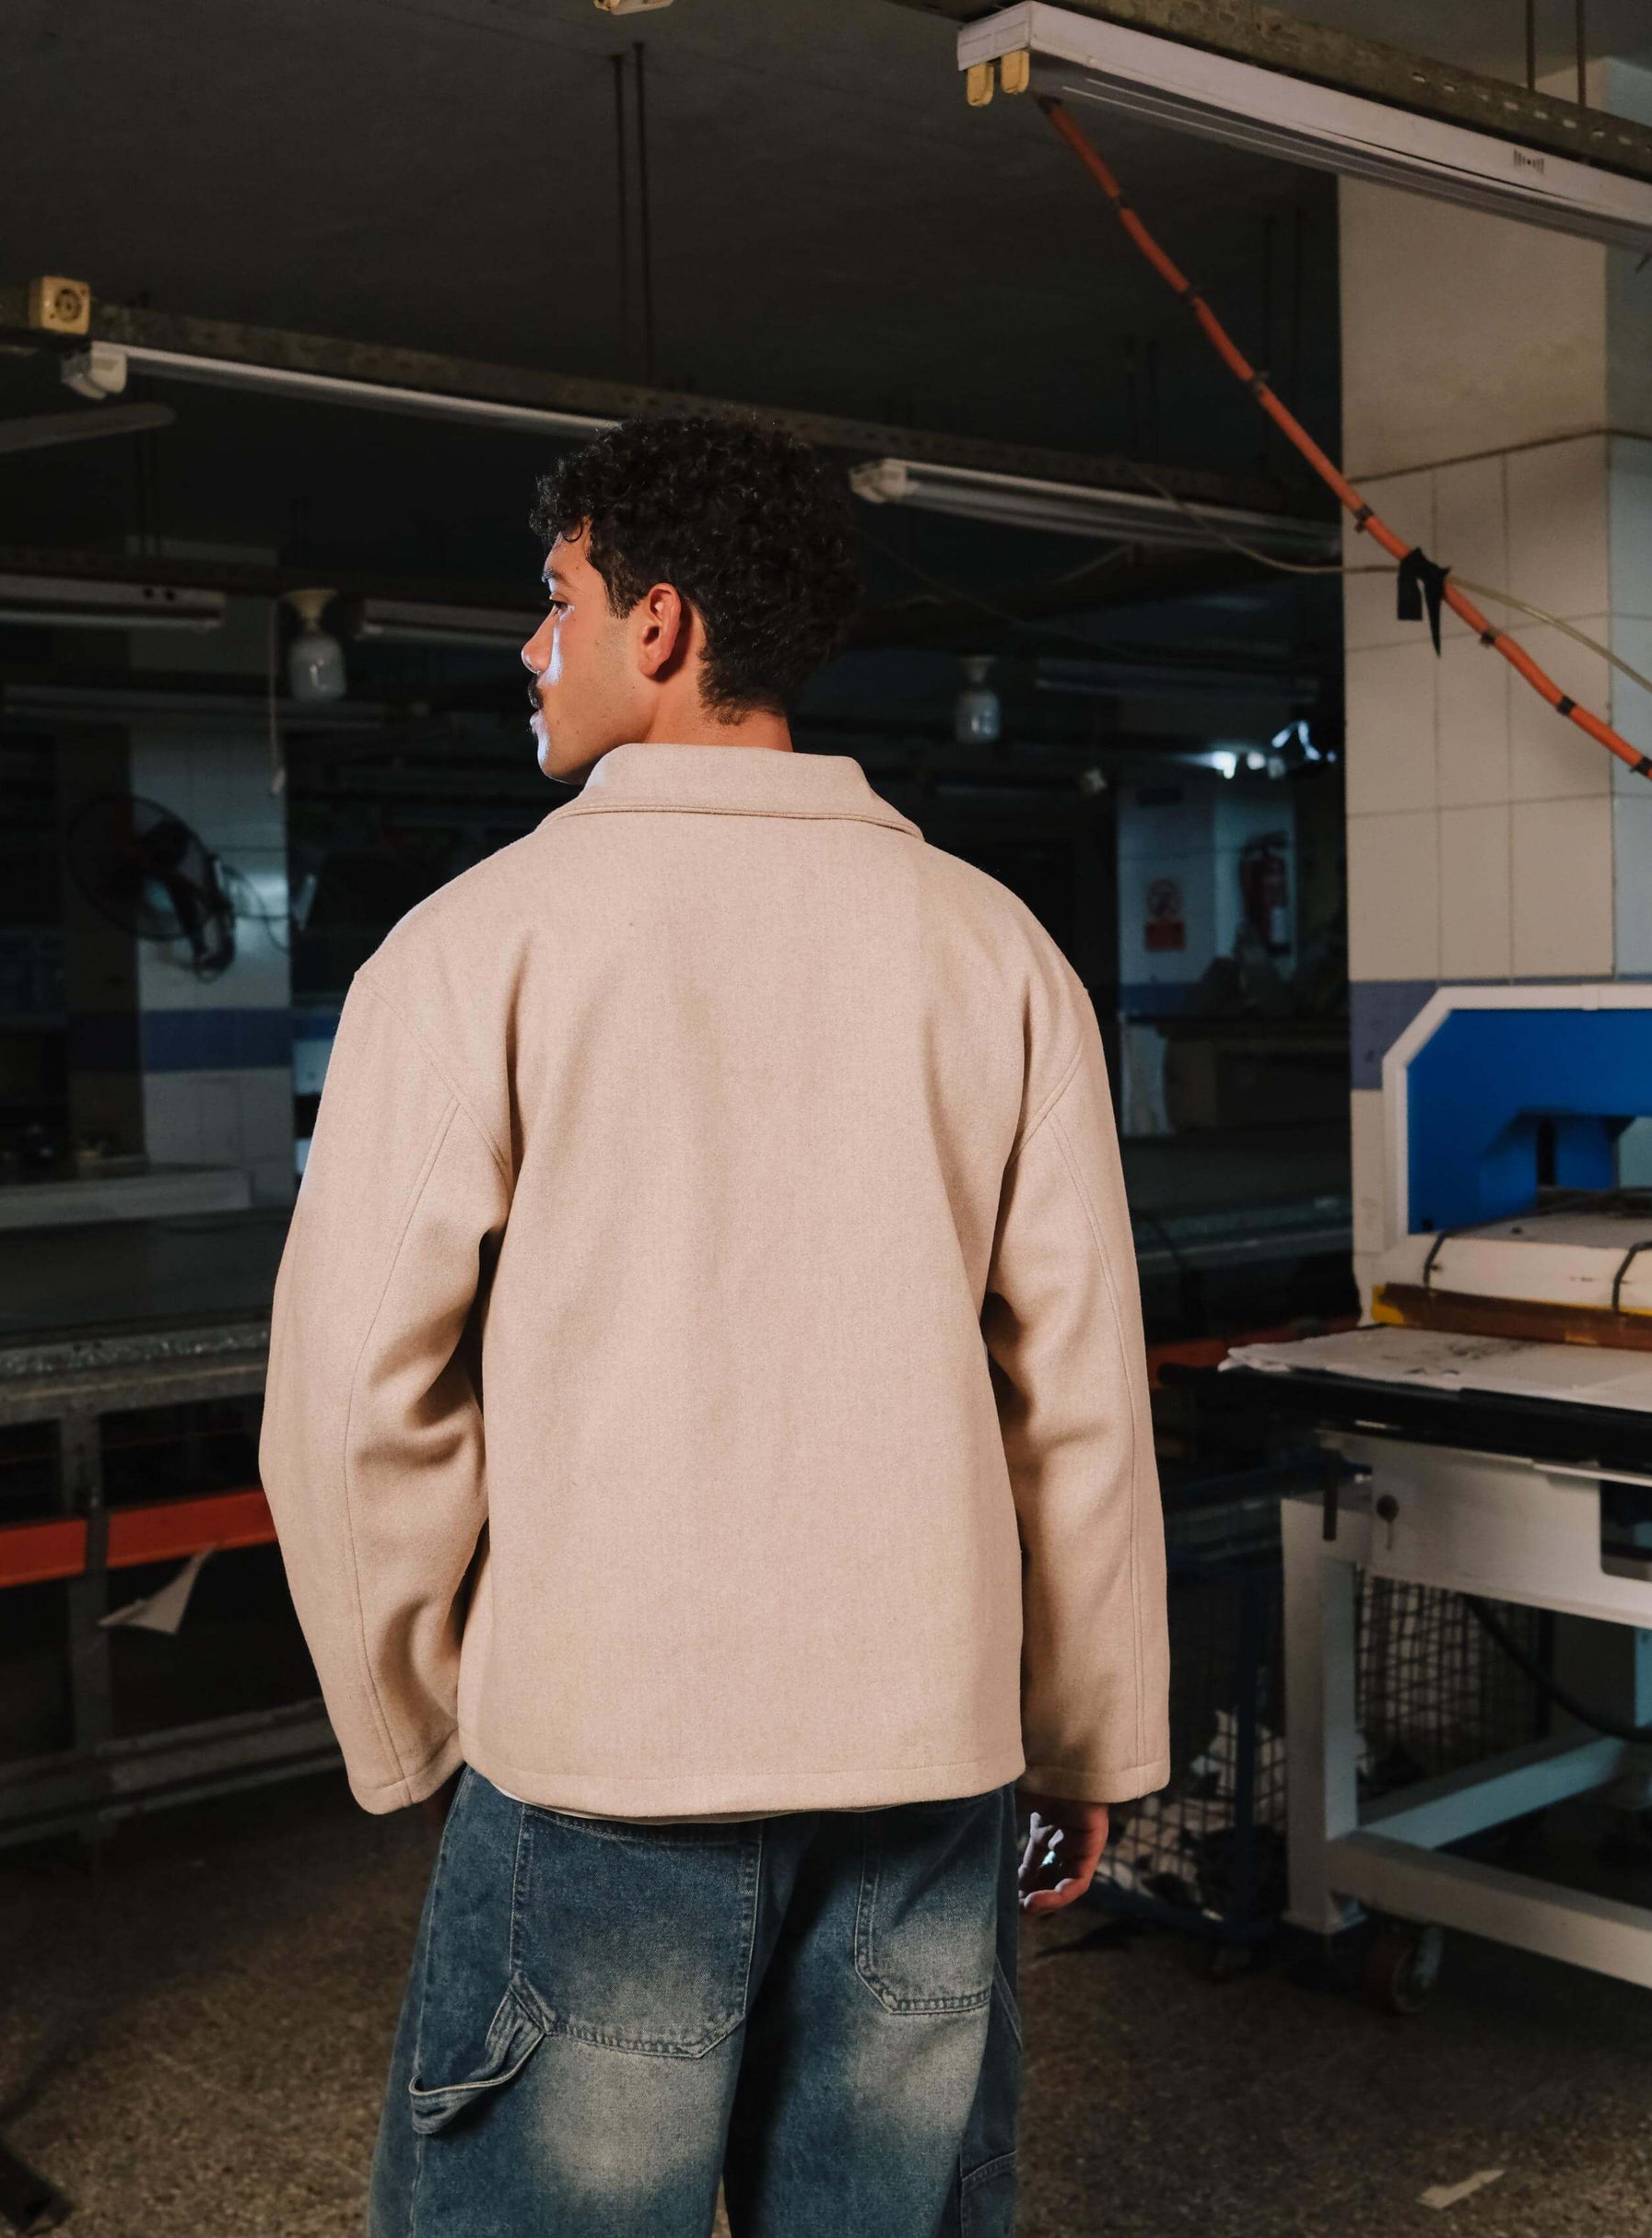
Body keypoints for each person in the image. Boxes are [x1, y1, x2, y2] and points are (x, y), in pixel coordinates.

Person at [259, 413, 1168, 2238]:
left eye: (557, 599)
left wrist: (431, 1706)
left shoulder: (474, 946)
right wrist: (1085, 1739)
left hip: (607, 1753)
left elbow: (353, 1397)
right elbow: (1070, 1399)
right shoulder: (992, 950)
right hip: (930, 1761)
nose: (535, 646)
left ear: (655, 625)